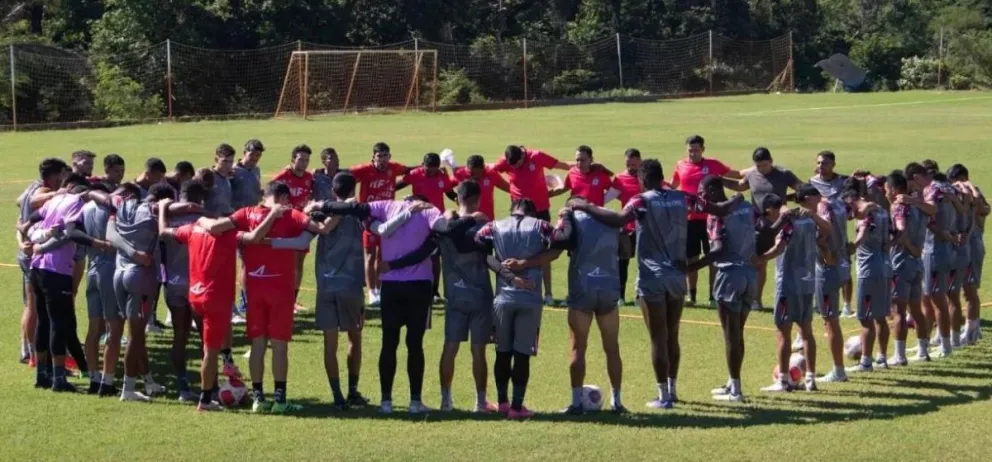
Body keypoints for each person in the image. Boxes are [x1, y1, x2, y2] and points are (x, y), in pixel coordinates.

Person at [570, 159, 741, 409]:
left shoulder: (642, 200)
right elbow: (720, 209)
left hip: (652, 277)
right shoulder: (683, 197)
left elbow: (618, 219)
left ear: (642, 179)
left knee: (658, 338)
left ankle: (663, 396)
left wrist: (586, 206)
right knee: (673, 335)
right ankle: (673, 389)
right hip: (677, 276)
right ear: (662, 177)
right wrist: (738, 198)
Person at [158, 194, 285, 412]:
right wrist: (272, 215)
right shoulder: (229, 236)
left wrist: (162, 208)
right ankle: (206, 400)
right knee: (210, 350)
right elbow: (255, 237)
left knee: (215, 335)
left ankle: (227, 361)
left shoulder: (192, 229)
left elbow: (163, 232)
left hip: (195, 295)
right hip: (215, 298)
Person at [208, 181, 325, 413]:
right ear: (283, 198)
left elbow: (217, 228)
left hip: (253, 288)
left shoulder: (245, 213)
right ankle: (280, 401)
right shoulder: (290, 214)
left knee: (258, 344)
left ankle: (258, 399)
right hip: (280, 288)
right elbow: (320, 228)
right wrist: (315, 210)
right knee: (279, 346)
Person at [521, 194, 627, 414]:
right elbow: (626, 249)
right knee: (612, 348)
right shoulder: (610, 216)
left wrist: (525, 263)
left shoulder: (571, 218)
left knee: (578, 347)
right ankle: (617, 402)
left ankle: (577, 403)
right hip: (609, 286)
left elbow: (556, 250)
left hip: (582, 287)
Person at [474, 198, 565, 419]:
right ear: (532, 212)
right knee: (522, 354)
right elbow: (559, 246)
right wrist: (525, 264)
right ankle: (516, 407)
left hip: (502, 299)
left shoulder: (493, 226)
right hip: (530, 299)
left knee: (502, 352)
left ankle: (502, 403)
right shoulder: (541, 226)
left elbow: (481, 250)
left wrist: (506, 273)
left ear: (512, 210)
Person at [27, 174, 112, 392]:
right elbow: (72, 232)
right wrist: (97, 242)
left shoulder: (54, 200)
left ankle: (42, 375)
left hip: (37, 267)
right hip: (57, 269)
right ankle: (59, 379)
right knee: (59, 322)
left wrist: (30, 233)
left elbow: (32, 217)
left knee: (43, 321)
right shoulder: (76, 202)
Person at [693, 176, 757, 402]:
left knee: (731, 335)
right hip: (750, 274)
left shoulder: (716, 215)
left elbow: (718, 249)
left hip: (729, 276)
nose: (700, 196)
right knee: (738, 332)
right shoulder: (746, 207)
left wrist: (692, 267)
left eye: (702, 191)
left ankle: (736, 390)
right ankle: (732, 381)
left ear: (712, 190)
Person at [106, 183, 172, 401]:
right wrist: (137, 255)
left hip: (119, 273)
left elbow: (110, 234)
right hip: (140, 277)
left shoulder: (122, 207)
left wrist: (130, 252)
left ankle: (148, 380)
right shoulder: (154, 211)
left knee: (137, 332)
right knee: (135, 336)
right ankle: (128, 389)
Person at [757, 186, 822, 392]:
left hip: (787, 283)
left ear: (771, 210)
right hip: (807, 281)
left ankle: (783, 381)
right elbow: (824, 234)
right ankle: (810, 379)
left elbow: (779, 247)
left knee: (783, 332)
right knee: (806, 332)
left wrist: (760, 259)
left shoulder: (787, 222)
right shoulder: (808, 220)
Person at [492, 145, 574, 306]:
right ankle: (520, 288)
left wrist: (580, 166)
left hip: (540, 210)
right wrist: (510, 189)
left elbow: (562, 165)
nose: (514, 168)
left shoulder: (536, 156)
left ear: (522, 157)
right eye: (511, 166)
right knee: (517, 251)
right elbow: (490, 170)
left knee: (544, 251)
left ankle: (548, 293)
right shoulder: (505, 162)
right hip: (518, 212)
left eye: (517, 165)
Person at [724, 147, 803, 311]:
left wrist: (787, 200)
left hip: (781, 223)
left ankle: (785, 299)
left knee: (783, 263)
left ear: (771, 162)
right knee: (759, 263)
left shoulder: (783, 174)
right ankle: (756, 300)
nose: (761, 169)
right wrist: (719, 180)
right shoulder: (752, 174)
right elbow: (740, 186)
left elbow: (801, 189)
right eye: (758, 165)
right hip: (758, 226)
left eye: (764, 165)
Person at [670, 135, 742, 307]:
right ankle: (692, 296)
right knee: (691, 258)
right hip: (689, 220)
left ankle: (713, 296)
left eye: (696, 150)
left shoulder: (713, 165)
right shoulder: (680, 165)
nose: (693, 153)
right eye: (690, 150)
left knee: (713, 258)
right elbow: (672, 185)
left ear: (703, 149)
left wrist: (755, 171)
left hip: (712, 219)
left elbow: (736, 174)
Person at [159, 180, 209, 402]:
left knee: (180, 335)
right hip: (197, 284)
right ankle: (210, 387)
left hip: (173, 283)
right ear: (200, 198)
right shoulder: (204, 219)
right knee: (206, 337)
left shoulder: (168, 218)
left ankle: (183, 387)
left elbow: (161, 235)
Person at [16, 158, 68, 366]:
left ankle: (27, 349)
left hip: (27, 251)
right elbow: (32, 203)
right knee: (35, 308)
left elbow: (19, 206)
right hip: (34, 255)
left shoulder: (31, 187)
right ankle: (35, 355)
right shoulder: (42, 192)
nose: (64, 179)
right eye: (62, 174)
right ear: (53, 176)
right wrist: (58, 194)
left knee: (30, 306)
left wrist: (21, 240)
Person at [903, 162, 957, 358]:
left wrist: (912, 201)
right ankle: (924, 343)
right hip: (939, 248)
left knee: (937, 299)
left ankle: (946, 346)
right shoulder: (945, 187)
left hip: (935, 250)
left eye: (912, 184)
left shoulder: (932, 189)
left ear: (916, 178)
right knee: (927, 298)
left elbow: (932, 210)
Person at [350, 142, 410, 307]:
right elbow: (345, 176)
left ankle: (380, 288)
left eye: (385, 156)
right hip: (369, 218)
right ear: (373, 157)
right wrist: (352, 200)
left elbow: (409, 171)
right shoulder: (363, 170)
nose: (382, 160)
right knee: (370, 255)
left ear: (389, 156)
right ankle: (371, 292)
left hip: (388, 218)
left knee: (382, 255)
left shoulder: (394, 168)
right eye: (379, 156)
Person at [842, 180, 893, 372]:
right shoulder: (881, 211)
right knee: (880, 317)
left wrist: (853, 246)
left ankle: (865, 362)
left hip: (869, 270)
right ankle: (882, 358)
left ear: (851, 200)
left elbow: (863, 229)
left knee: (865, 318)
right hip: (885, 266)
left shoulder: (867, 213)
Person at [398, 152, 458, 302]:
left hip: (436, 221)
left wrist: (460, 200)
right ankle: (414, 288)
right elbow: (396, 185)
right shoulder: (415, 174)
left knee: (435, 257)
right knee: (415, 254)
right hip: (417, 220)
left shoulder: (441, 175)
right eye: (428, 169)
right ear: (422, 164)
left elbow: (449, 192)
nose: (431, 172)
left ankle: (434, 291)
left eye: (434, 169)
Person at [886, 171, 927, 366]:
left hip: (901, 262)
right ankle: (923, 351)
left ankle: (899, 355)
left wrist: (891, 243)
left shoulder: (899, 207)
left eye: (887, 189)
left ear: (894, 190)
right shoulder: (917, 205)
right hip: (917, 263)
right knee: (916, 310)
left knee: (899, 311)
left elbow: (901, 229)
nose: (886, 193)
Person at [808, 151, 854, 316]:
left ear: (833, 165)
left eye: (825, 163)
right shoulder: (812, 182)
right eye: (819, 163)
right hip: (820, 230)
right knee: (819, 266)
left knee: (844, 267)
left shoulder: (843, 181)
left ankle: (847, 306)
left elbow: (853, 198)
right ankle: (819, 300)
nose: (821, 166)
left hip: (839, 230)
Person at [272, 145, 315, 313]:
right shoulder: (282, 177)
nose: (304, 163)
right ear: (292, 160)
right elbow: (269, 195)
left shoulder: (309, 177)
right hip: (284, 225)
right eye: (300, 159)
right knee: (284, 263)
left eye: (306, 160)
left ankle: (292, 300)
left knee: (298, 264)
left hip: (300, 225)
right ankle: (281, 298)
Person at [948, 165, 987, 345]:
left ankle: (972, 331)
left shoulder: (973, 192)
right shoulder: (957, 194)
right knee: (957, 290)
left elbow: (983, 209)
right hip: (960, 247)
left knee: (970, 290)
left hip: (972, 245)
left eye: (956, 181)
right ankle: (970, 328)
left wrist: (970, 187)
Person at [231, 139, 265, 324]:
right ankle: (244, 303)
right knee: (243, 262)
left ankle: (247, 300)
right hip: (237, 222)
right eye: (252, 155)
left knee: (250, 261)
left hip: (252, 221)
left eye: (258, 156)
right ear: (244, 153)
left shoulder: (256, 170)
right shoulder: (234, 172)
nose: (255, 158)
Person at [447, 154, 510, 222]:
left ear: (483, 168)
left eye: (477, 173)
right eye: (471, 173)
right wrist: (456, 198)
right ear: (467, 168)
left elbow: (509, 188)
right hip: (466, 221)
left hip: (487, 220)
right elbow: (446, 187)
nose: (473, 176)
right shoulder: (462, 173)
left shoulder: (491, 174)